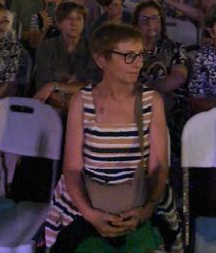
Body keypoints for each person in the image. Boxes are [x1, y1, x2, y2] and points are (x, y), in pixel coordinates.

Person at [43, 23, 181, 251]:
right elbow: (72, 168)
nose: (138, 63)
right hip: (87, 200)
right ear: (101, 61)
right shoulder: (83, 101)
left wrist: (145, 211)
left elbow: (158, 165)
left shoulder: (151, 101)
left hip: (138, 197)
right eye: (128, 56)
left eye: (140, 55)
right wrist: (90, 214)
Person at [133, 1, 189, 141]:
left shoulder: (174, 48)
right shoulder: (129, 51)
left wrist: (151, 90)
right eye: (144, 19)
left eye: (154, 18)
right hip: (134, 105)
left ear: (161, 22)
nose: (150, 23)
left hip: (171, 108)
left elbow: (179, 76)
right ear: (136, 23)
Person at [33, 2, 100, 110]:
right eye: (69, 18)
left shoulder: (93, 47)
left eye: (79, 19)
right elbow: (43, 84)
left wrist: (58, 86)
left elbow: (93, 84)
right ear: (59, 23)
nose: (74, 23)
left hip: (86, 105)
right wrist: (64, 100)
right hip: (52, 105)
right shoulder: (47, 47)